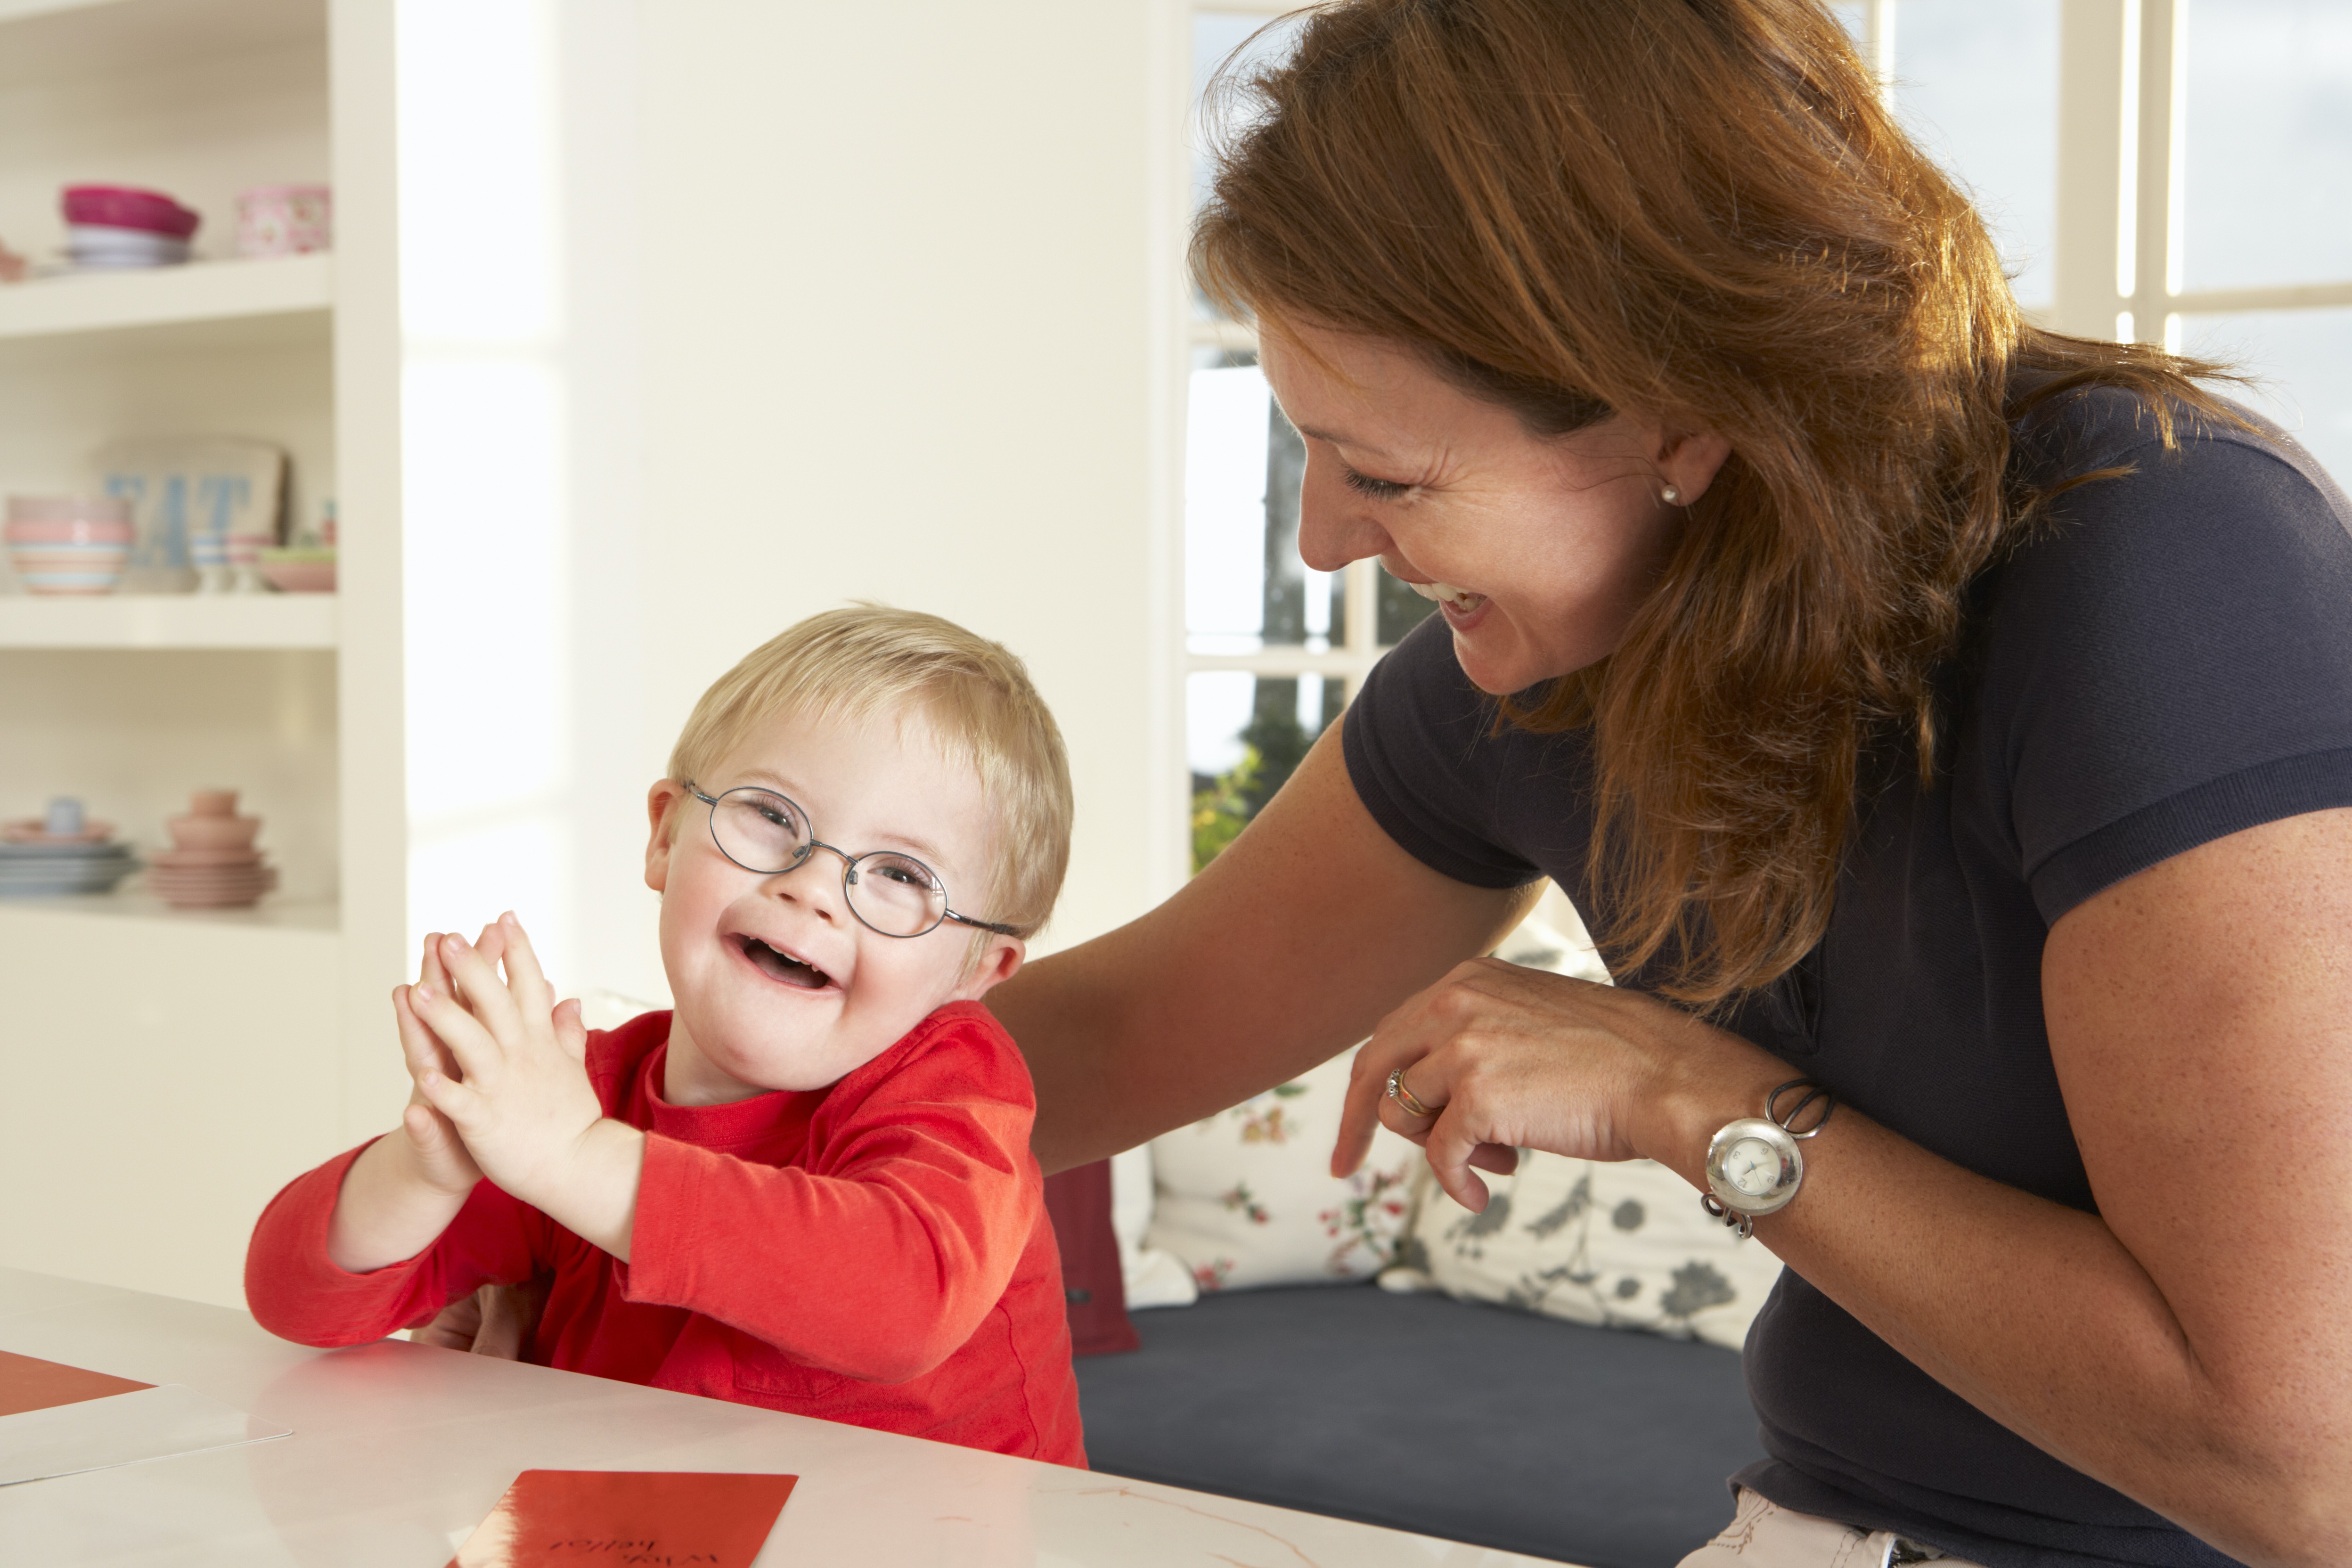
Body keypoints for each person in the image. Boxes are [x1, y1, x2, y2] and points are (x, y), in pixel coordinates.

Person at [990, 3, 2352, 1566]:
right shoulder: (1562, 653)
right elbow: (1102, 1040)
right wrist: (665, 1104)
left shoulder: (2161, 566)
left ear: (1683, 418)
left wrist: (1686, 1091)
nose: (1320, 544)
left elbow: (2300, 1464)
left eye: (1385, 474)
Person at [246, 606, 1086, 1465]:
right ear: (663, 835)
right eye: (774, 817)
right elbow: (292, 1297)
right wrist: (426, 1167)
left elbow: (906, 1299)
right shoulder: (585, 1094)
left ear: (978, 971)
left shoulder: (956, 1085)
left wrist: (572, 1159)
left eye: (904, 875)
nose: (814, 888)